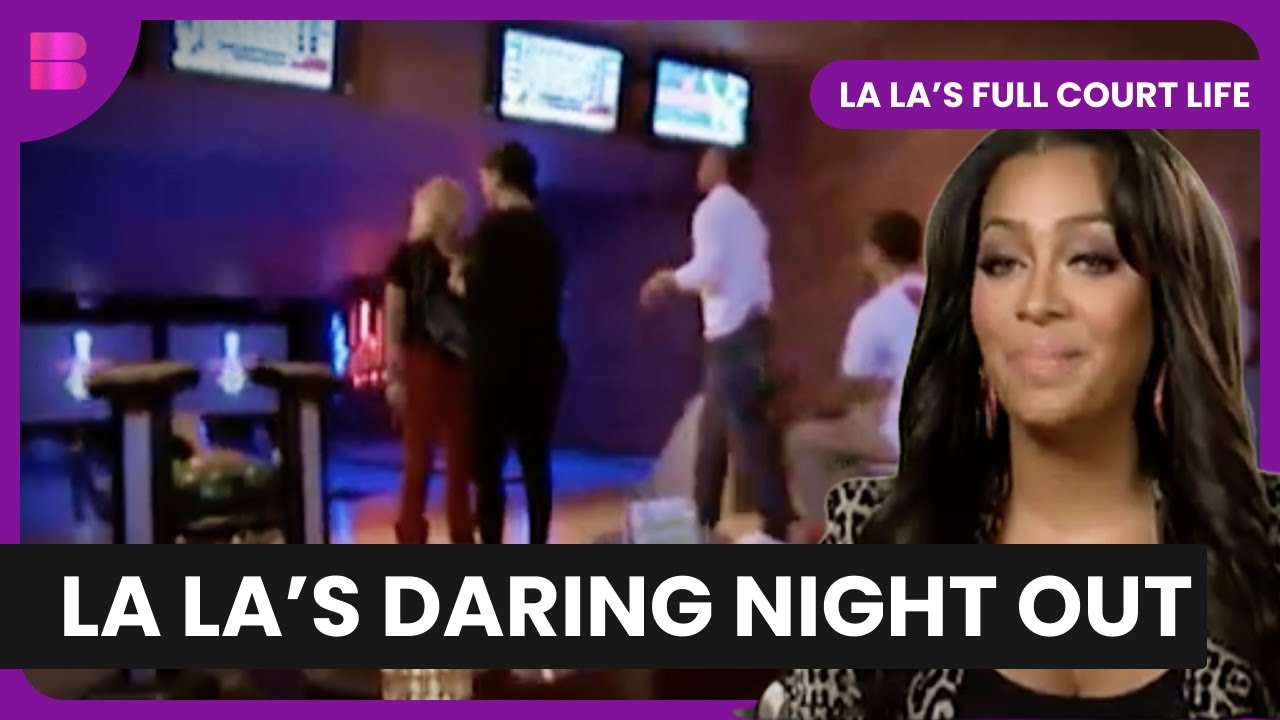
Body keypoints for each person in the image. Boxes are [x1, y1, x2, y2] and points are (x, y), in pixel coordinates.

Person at [753, 129, 1280, 720]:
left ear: (1171, 298)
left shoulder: (1262, 547)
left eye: (1090, 259)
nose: (1036, 301)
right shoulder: (874, 544)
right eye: (1002, 263)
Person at [640, 146, 794, 542]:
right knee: (714, 433)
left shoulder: (712, 209)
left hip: (731, 337)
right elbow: (757, 276)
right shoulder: (750, 215)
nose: (700, 166)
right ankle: (704, 519)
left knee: (749, 432)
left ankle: (776, 527)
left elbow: (709, 268)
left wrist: (668, 280)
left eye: (707, 159)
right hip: (750, 330)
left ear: (721, 166)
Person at [785, 210, 925, 520]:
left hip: (907, 439)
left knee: (804, 441)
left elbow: (849, 388)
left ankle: (828, 530)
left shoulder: (876, 311)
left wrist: (814, 403)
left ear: (875, 254)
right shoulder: (949, 297)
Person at [464, 141, 567, 545]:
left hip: (495, 363)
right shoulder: (548, 236)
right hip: (543, 362)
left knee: (487, 468)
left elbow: (478, 297)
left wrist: (459, 283)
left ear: (499, 177)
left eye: (484, 179)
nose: (483, 189)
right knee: (536, 462)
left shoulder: (490, 232)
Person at [384, 177, 475, 545]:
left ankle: (412, 534)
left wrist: (393, 375)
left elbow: (394, 319)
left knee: (420, 457)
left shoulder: (408, 258)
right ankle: (459, 534)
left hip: (425, 362)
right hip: (456, 363)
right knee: (456, 459)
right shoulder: (465, 257)